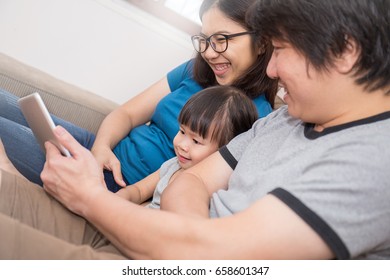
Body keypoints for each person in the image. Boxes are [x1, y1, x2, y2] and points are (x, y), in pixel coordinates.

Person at [1, 0, 389, 260]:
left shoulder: (372, 164)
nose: (273, 70)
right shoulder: (284, 119)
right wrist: (186, 236)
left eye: (282, 50)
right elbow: (190, 182)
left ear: (345, 51)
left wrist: (91, 197)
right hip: (143, 231)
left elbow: (210, 258)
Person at [0, 0, 278, 192]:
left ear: (262, 41)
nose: (208, 51)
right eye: (204, 39)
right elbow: (127, 113)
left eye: (221, 39)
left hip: (118, 181)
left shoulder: (258, 119)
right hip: (100, 149)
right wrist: (101, 149)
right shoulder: (195, 71)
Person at [116, 85, 259, 208]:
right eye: (182, 131)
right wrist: (122, 196)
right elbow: (139, 190)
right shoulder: (174, 165)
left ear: (224, 151)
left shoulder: (210, 192)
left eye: (196, 141)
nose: (182, 145)